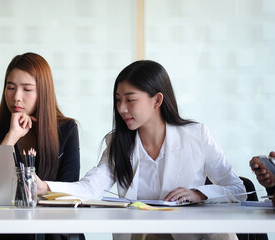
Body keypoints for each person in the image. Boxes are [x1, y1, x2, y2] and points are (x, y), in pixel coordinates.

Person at [37, 60, 246, 240]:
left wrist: (199, 193)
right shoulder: (118, 143)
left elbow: (239, 189)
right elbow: (91, 188)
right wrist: (44, 187)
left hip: (190, 235)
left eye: (130, 100)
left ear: (157, 100)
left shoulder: (196, 136)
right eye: (118, 100)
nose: (121, 108)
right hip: (143, 236)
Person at [0, 52, 83, 240]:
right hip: (3, 231)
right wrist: (12, 136)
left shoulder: (66, 129)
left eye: (27, 89)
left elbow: (68, 190)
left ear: (43, 92)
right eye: (10, 87)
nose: (16, 97)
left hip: (54, 231)